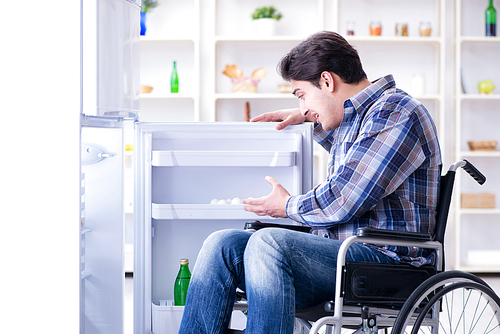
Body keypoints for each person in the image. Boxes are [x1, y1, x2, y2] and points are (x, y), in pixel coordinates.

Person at [178, 31, 442, 334]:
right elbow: (353, 146)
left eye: (301, 94)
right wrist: (309, 115)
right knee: (221, 244)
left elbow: (343, 198)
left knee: (270, 243)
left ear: (327, 82)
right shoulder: (358, 119)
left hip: (388, 263)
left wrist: (285, 206)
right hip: (345, 258)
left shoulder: (397, 113)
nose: (303, 107)